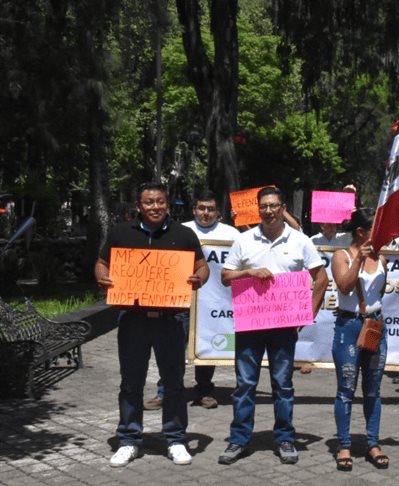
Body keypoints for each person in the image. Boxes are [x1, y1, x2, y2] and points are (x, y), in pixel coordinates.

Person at [94, 182, 210, 467]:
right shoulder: (121, 233)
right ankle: (129, 439)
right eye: (149, 202)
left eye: (160, 201)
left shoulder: (184, 234)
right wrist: (102, 276)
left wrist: (200, 278)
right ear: (139, 206)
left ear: (167, 204)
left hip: (171, 320)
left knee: (173, 383)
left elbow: (201, 265)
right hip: (132, 320)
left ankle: (176, 439)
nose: (155, 207)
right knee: (131, 382)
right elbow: (101, 262)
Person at [218, 187, 328, 465]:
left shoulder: (300, 240)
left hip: (283, 327)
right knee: (244, 384)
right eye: (264, 206)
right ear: (258, 209)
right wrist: (249, 272)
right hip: (250, 324)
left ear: (283, 208)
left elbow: (322, 279)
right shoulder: (244, 240)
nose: (269, 211)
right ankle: (239, 439)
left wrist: (307, 315)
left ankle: (285, 438)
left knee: (283, 384)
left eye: (274, 206)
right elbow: (226, 276)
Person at [143, 191, 240, 411]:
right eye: (201, 208)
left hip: (215, 303)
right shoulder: (179, 230)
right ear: (194, 209)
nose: (206, 213)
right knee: (173, 350)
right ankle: (165, 391)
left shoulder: (232, 234)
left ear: (218, 212)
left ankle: (204, 391)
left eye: (210, 209)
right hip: (181, 303)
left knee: (209, 348)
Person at [329, 209, 389, 471]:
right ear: (361, 232)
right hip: (349, 326)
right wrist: (358, 261)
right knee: (346, 389)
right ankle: (344, 445)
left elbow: (381, 291)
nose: (381, 234)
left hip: (375, 326)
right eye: (375, 229)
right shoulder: (340, 255)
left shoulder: (382, 257)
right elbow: (343, 286)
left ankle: (373, 443)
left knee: (373, 389)